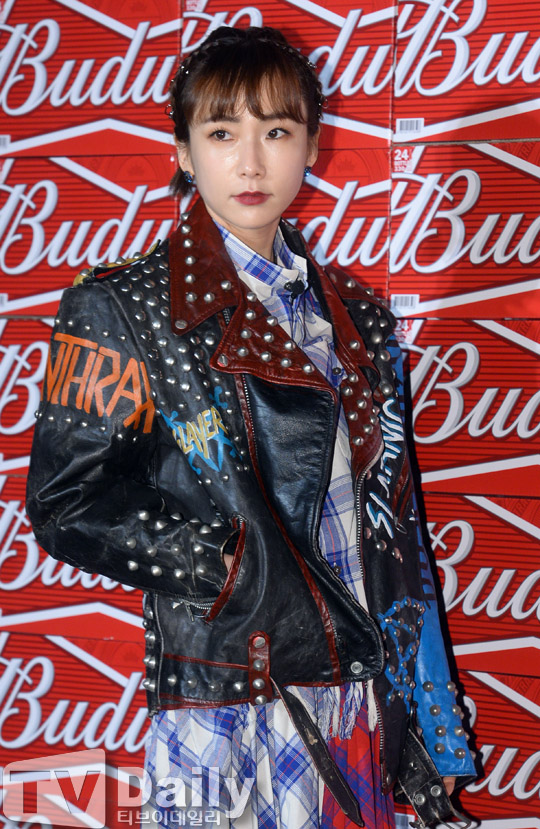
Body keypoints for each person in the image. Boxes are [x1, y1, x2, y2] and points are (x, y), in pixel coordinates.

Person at [26, 25, 475, 829]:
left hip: (361, 691)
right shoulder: (122, 306)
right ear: (183, 151)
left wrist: (427, 705)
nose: (251, 163)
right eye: (222, 133)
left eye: (276, 131)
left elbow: (397, 533)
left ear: (312, 145)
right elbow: (67, 503)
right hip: (228, 691)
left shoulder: (360, 318)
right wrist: (234, 569)